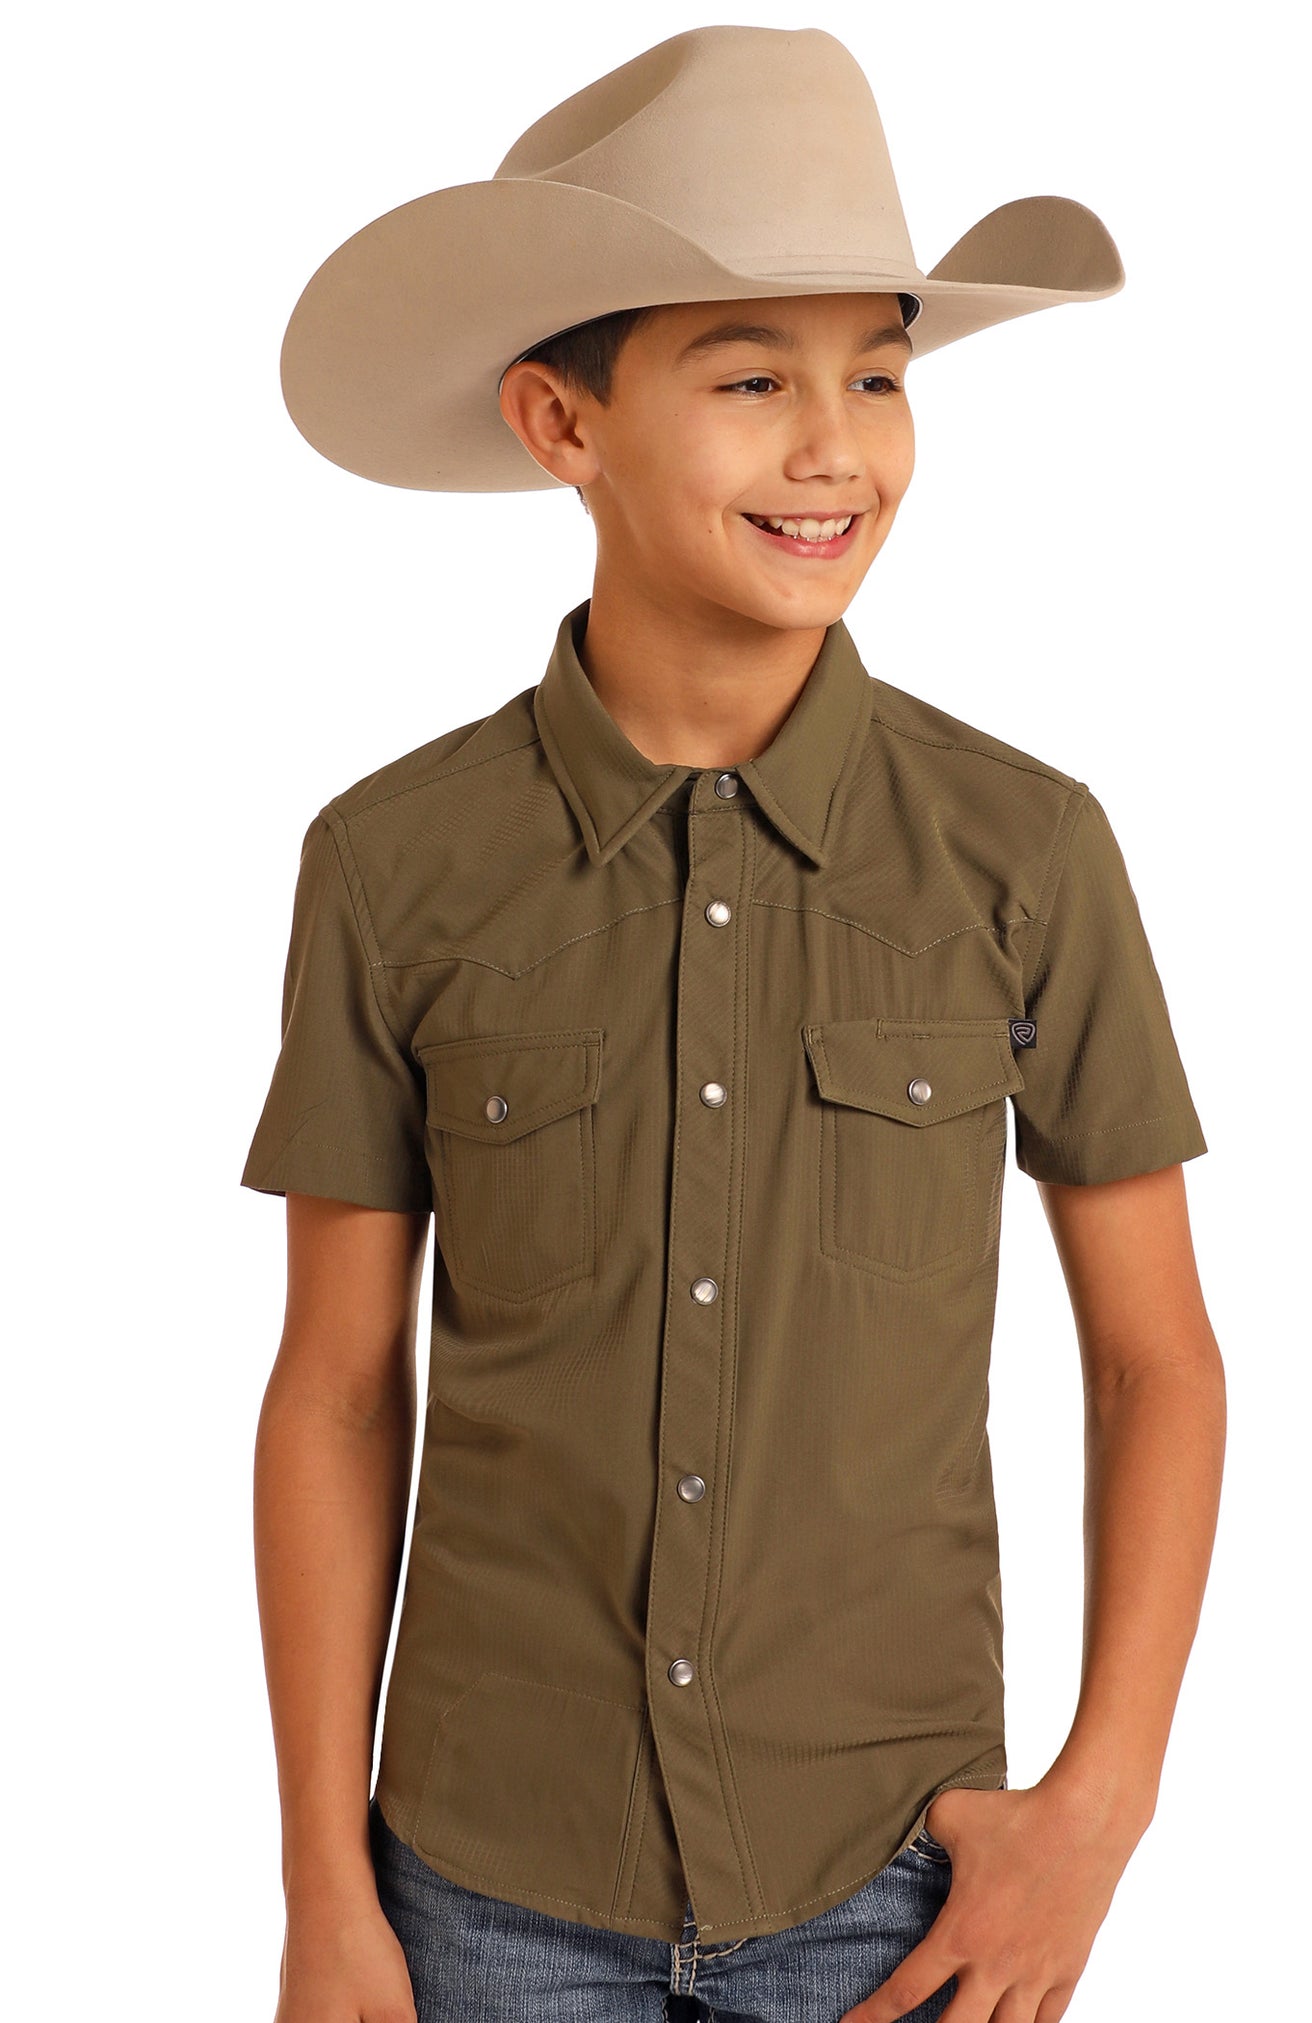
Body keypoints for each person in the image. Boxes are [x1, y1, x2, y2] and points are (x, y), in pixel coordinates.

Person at [241, 24, 1226, 2023]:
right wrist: (324, 1892)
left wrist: (1095, 1818)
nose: (835, 446)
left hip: (897, 1891)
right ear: (560, 421)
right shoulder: (392, 862)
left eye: (877, 370)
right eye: (751, 374)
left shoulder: (1023, 851)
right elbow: (338, 1389)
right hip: (485, 1897)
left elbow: (1159, 1360)